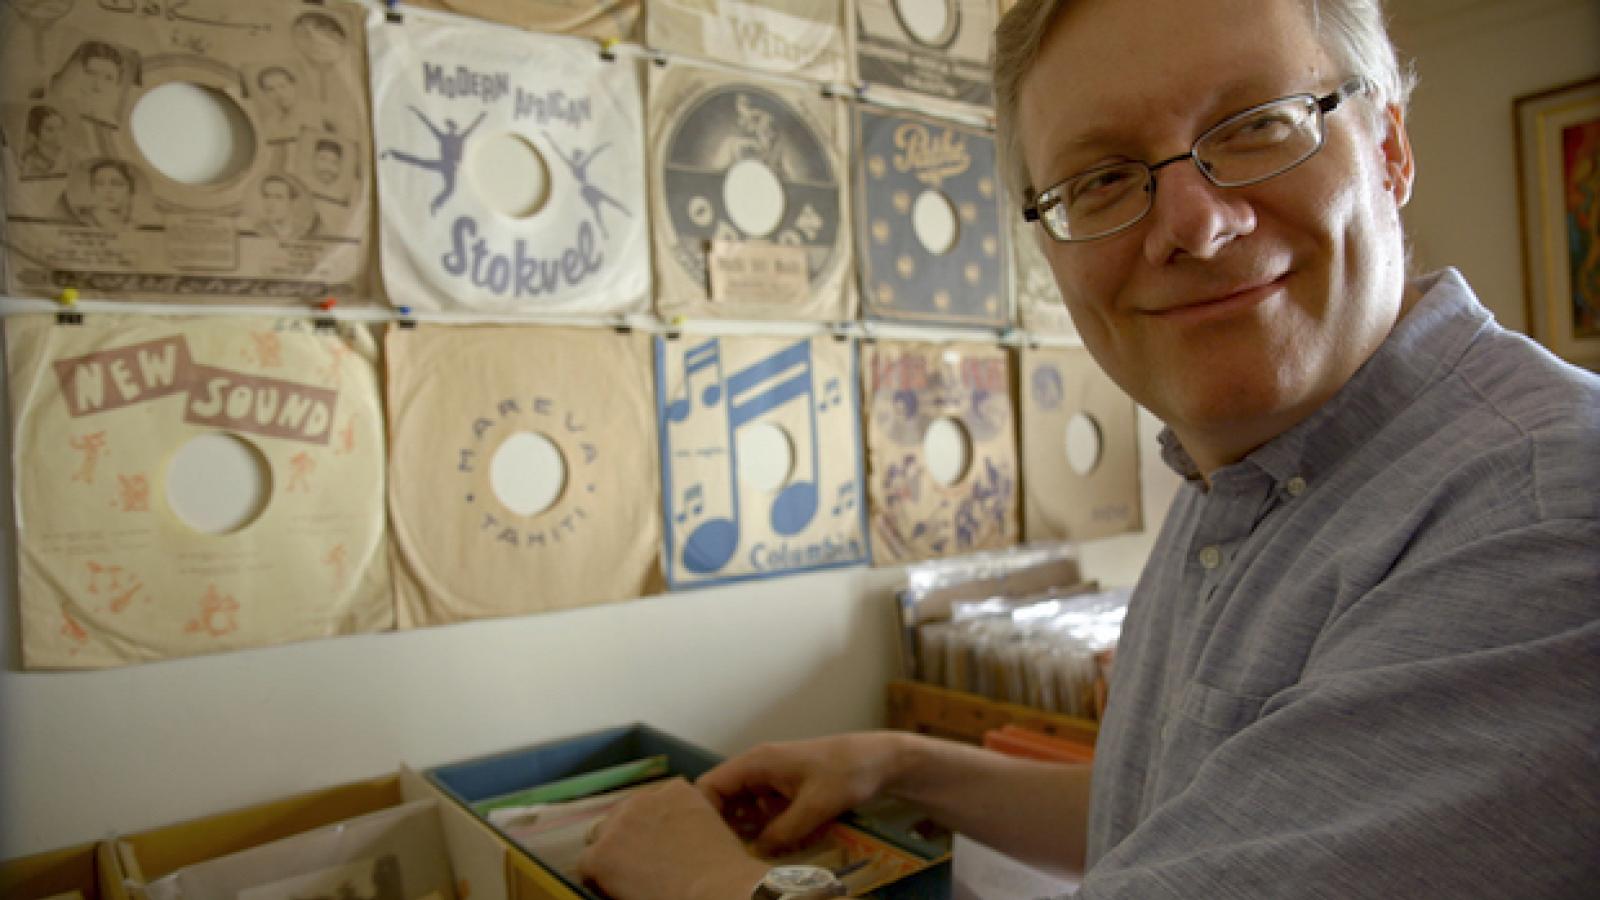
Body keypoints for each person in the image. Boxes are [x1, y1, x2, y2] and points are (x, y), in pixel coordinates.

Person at [576, 0, 1600, 898]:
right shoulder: (1237, 473)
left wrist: (706, 884)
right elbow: (1197, 818)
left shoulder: (1549, 516)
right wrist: (895, 765)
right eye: (1102, 179)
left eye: (1253, 127)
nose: (1193, 225)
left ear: (1388, 150)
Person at [75, 158, 134, 229]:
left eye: (116, 183)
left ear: (129, 189)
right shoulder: (80, 218)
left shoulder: (132, 225)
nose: (108, 190)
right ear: (92, 188)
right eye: (99, 183)